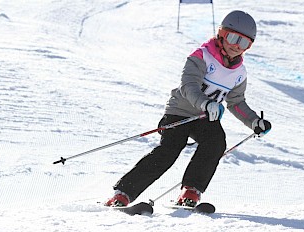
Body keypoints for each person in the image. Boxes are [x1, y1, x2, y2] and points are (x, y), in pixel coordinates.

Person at [105, 10, 271, 207]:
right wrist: (206, 104)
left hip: (205, 118)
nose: (236, 46)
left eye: (244, 43)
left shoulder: (239, 73)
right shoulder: (202, 56)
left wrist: (254, 122)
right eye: (232, 38)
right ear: (221, 34)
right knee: (169, 150)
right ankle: (123, 193)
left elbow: (236, 102)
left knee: (216, 143)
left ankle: (191, 190)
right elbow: (188, 86)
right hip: (179, 112)